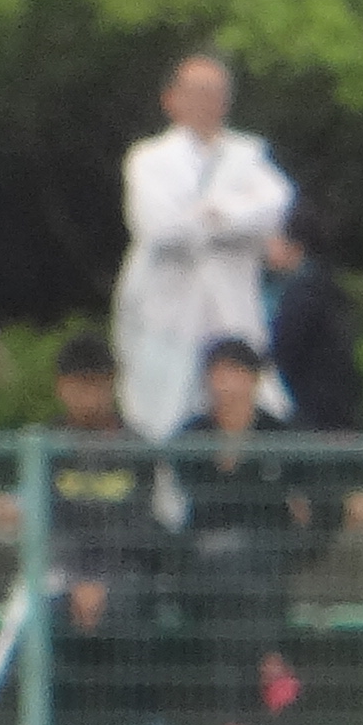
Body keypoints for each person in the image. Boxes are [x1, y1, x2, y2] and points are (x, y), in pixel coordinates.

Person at [158, 338, 329, 725]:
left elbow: (315, 503)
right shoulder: (191, 437)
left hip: (258, 560)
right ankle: (271, 663)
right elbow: (203, 500)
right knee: (231, 568)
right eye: (218, 373)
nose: (226, 384)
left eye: (236, 373)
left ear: (253, 380)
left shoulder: (280, 435)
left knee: (233, 583)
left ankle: (234, 718)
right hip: (207, 559)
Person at [113, 54, 293, 440]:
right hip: (168, 316)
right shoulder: (149, 159)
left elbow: (275, 205)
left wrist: (210, 214)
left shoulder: (248, 154)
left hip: (232, 312)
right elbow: (159, 228)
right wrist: (233, 220)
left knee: (255, 408)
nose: (207, 102)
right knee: (160, 415)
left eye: (216, 93)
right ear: (171, 99)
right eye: (197, 92)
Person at [36, 335, 166, 725]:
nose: (87, 396)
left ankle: (143, 723)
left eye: (95, 384)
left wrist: (101, 581)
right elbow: (46, 525)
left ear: (112, 384)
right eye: (78, 385)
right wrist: (76, 579)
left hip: (123, 572)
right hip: (61, 574)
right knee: (43, 614)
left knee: (132, 605)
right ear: (61, 387)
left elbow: (140, 527)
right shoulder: (43, 447)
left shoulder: (138, 448)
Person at [260, 199, 363, 450]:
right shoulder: (322, 285)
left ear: (294, 246)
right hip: (332, 412)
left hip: (313, 416)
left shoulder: (303, 294)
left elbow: (283, 351)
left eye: (274, 238)